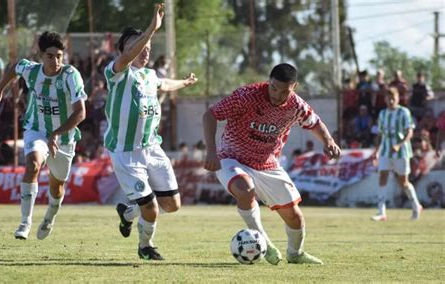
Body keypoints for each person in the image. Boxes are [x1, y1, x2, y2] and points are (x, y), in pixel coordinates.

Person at [203, 63, 340, 265]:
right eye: (273, 88)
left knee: (296, 218)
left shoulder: (296, 105)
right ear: (269, 81)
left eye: (284, 91)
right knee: (244, 189)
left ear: (294, 87)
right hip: (232, 157)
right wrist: (211, 151)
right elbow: (210, 115)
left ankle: (296, 253)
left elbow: (315, 123)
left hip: (268, 164)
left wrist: (329, 141)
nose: (277, 95)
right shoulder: (246, 96)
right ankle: (264, 242)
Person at [105, 3, 197, 261]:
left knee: (172, 205)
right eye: (139, 47)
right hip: (126, 153)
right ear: (123, 50)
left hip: (152, 149)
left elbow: (164, 84)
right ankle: (145, 246)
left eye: (147, 48)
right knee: (152, 208)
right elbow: (125, 59)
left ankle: (128, 213)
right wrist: (151, 29)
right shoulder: (117, 73)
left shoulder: (149, 75)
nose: (145, 51)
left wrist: (185, 82)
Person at [0, 31, 87, 240]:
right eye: (50, 56)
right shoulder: (31, 70)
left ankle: (50, 216)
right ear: (41, 56)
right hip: (36, 129)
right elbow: (14, 68)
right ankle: (25, 223)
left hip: (64, 138)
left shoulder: (70, 75)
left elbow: (81, 113)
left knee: (57, 187)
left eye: (59, 56)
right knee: (32, 165)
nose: (56, 61)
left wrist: (57, 134)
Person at [371, 87, 422, 221]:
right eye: (388, 97)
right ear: (385, 99)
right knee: (382, 176)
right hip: (386, 150)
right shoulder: (382, 114)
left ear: (398, 98)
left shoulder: (404, 112)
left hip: (401, 151)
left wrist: (399, 145)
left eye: (393, 97)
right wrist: (376, 152)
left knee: (403, 182)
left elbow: (409, 132)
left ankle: (416, 205)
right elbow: (380, 135)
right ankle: (381, 211)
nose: (391, 100)